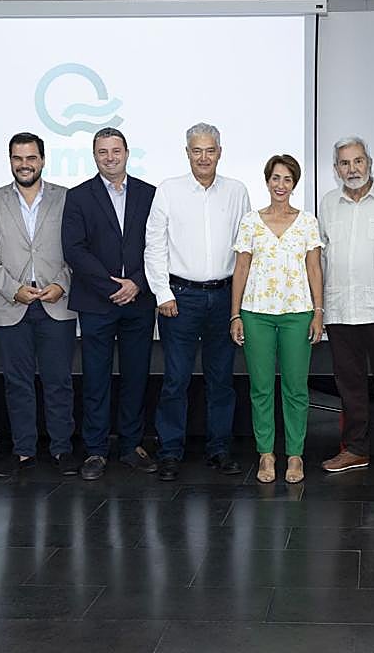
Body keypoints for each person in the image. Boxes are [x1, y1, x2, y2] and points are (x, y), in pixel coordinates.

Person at [145, 123, 250, 481]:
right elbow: (154, 245)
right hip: (180, 298)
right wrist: (162, 293)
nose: (203, 157)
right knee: (176, 379)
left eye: (210, 150)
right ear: (187, 153)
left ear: (220, 152)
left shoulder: (237, 191)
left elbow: (245, 249)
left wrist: (239, 303)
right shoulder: (168, 190)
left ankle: (219, 449)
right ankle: (170, 451)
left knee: (221, 379)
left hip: (224, 297)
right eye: (196, 150)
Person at [0, 132, 79, 478]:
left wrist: (61, 285)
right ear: (10, 161)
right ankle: (23, 451)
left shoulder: (66, 199)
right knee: (17, 382)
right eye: (18, 158)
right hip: (10, 304)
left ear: (43, 160)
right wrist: (13, 289)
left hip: (56, 302)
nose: (25, 164)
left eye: (31, 158)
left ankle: (62, 449)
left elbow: (78, 250)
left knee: (59, 381)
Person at [61, 127, 157, 481]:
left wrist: (137, 283)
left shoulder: (150, 194)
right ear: (94, 156)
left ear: (127, 153)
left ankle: (131, 446)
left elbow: (159, 245)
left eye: (116, 151)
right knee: (96, 379)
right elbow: (74, 250)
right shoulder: (78, 197)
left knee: (136, 377)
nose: (110, 157)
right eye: (103, 152)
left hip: (139, 301)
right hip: (96, 302)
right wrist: (110, 287)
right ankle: (96, 450)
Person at [318, 136, 374, 482]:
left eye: (358, 161)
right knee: (350, 387)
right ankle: (356, 448)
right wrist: (320, 307)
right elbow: (321, 259)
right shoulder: (328, 204)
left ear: (369, 163)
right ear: (336, 168)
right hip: (341, 310)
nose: (352, 169)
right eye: (345, 163)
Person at [229, 154, 323, 485]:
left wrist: (318, 312)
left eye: (287, 179)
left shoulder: (307, 222)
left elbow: (314, 268)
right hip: (256, 313)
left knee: (296, 387)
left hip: (298, 313)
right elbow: (241, 269)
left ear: (294, 184)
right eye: (275, 178)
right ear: (267, 181)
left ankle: (295, 455)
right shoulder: (250, 222)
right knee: (261, 387)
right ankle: (266, 454)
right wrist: (235, 314)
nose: (280, 185)